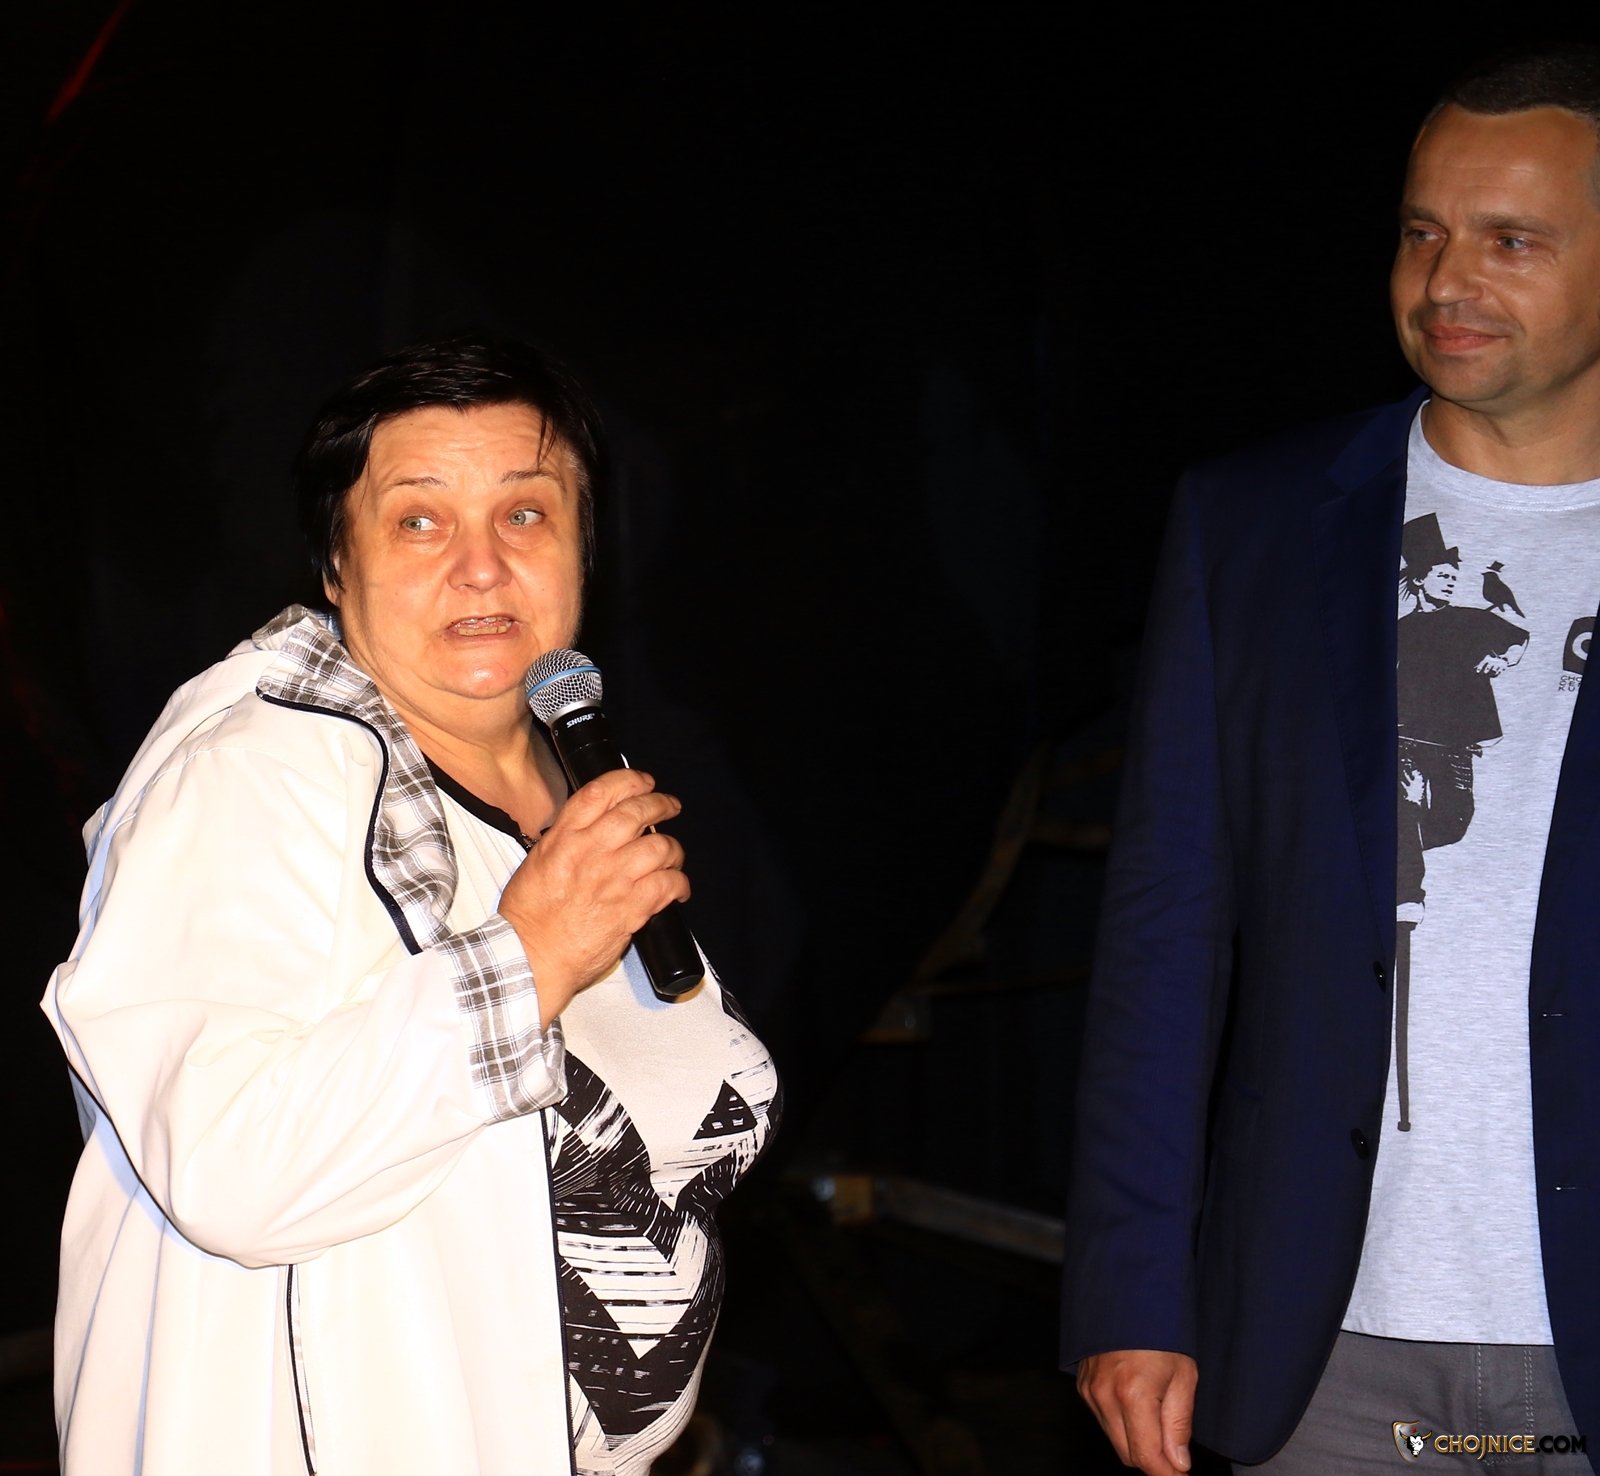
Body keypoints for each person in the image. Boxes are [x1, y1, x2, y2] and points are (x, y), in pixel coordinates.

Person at [41, 335, 780, 1475]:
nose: (482, 567)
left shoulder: (577, 771)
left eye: (525, 514)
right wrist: (530, 957)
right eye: (421, 521)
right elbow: (230, 1165)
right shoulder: (251, 777)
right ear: (336, 566)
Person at [1062, 45, 1600, 1475]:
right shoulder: (1253, 525)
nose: (1446, 281)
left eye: (1511, 240)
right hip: (1318, 1349)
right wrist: (1130, 1290)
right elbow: (1165, 939)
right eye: (1423, 232)